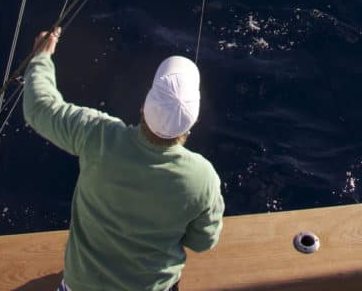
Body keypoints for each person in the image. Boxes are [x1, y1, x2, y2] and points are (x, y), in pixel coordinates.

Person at [24, 27, 224, 291]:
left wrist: (41, 58)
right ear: (193, 121)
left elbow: (38, 107)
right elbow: (203, 241)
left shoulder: (98, 135)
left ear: (144, 105)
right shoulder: (203, 177)